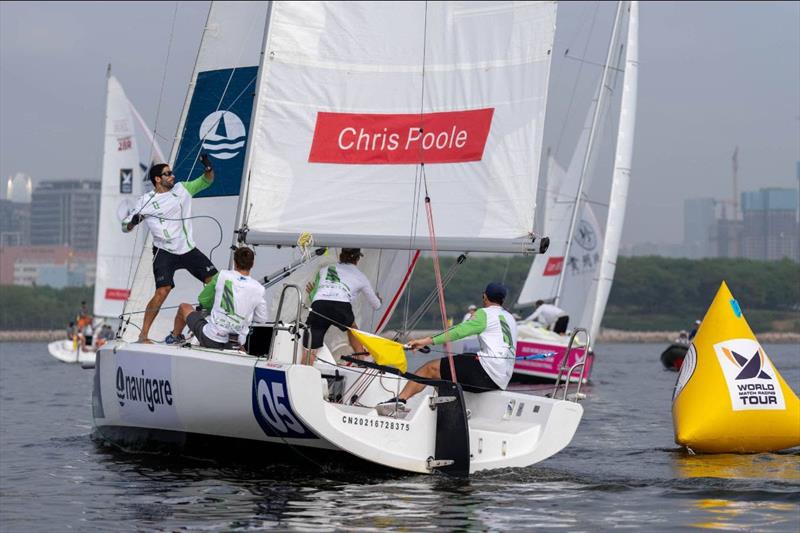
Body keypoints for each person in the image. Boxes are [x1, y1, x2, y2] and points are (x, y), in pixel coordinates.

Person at [376, 282, 517, 416]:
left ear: (484, 296)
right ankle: (446, 409)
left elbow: (458, 331)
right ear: (502, 300)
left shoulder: (484, 313)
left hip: (486, 374)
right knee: (461, 360)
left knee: (430, 369)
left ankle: (398, 401)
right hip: (501, 380)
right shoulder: (510, 317)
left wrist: (426, 341)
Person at [122, 158, 218, 343]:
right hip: (164, 251)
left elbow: (207, 180)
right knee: (162, 291)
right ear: (157, 179)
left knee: (216, 281)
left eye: (172, 173)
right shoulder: (145, 201)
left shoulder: (182, 189)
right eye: (168, 174)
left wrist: (208, 167)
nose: (172, 176)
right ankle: (143, 335)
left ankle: (202, 311)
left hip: (187, 249)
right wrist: (134, 221)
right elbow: (124, 225)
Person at [167, 246, 268, 349]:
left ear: (234, 262)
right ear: (252, 264)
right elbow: (261, 319)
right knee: (239, 344)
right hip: (234, 345)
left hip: (210, 338)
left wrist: (217, 311)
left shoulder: (222, 275)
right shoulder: (259, 289)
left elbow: (203, 300)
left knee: (184, 307)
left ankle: (174, 338)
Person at [303, 248, 381, 366]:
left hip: (319, 304)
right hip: (340, 305)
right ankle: (361, 361)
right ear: (357, 259)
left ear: (340, 256)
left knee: (311, 348)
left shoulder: (324, 270)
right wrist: (378, 299)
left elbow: (314, 295)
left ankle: (303, 369)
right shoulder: (360, 276)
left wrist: (314, 294)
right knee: (352, 328)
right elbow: (376, 305)